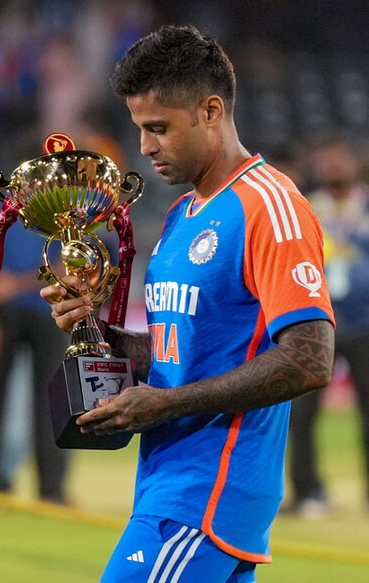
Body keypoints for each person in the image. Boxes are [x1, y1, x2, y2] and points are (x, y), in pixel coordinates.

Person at [42, 25, 335, 582]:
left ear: (210, 111)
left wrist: (166, 406)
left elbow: (309, 358)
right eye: (139, 129)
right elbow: (185, 353)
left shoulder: (270, 207)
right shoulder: (184, 215)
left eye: (159, 129)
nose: (146, 147)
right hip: (173, 483)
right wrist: (98, 335)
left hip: (206, 493)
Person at [285, 136, 369, 518]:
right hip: (317, 322)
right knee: (301, 415)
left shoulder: (365, 206)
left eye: (340, 160)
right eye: (327, 161)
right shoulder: (305, 208)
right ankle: (308, 492)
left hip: (366, 324)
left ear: (354, 163)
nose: (333, 167)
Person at [0, 195, 70, 504]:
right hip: (34, 308)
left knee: (45, 404)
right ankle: (15, 490)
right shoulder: (57, 205)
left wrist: (9, 289)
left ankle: (36, 490)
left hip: (40, 309)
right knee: (35, 403)